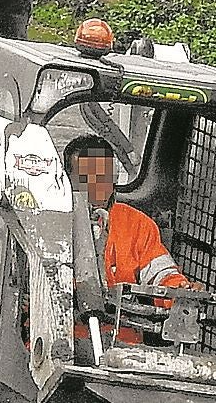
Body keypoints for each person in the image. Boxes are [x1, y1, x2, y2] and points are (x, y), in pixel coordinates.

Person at [65, 135, 201, 347]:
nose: (96, 186)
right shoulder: (53, 223)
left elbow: (162, 274)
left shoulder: (137, 225)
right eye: (86, 177)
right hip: (64, 339)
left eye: (102, 176)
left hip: (123, 345)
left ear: (114, 177)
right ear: (67, 180)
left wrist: (182, 292)